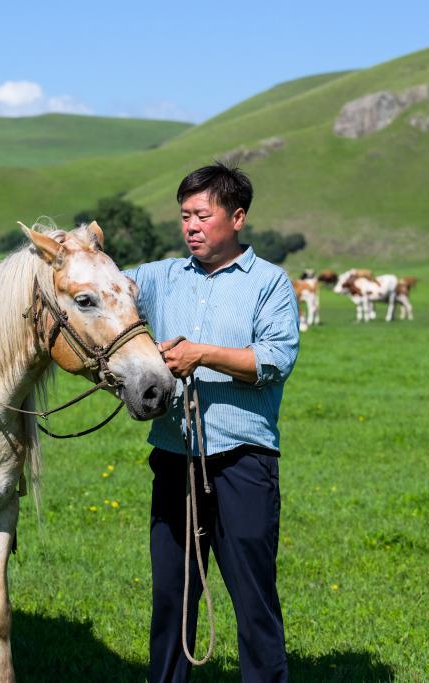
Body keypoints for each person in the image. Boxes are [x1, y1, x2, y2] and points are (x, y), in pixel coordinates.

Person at [123, 162, 299, 683]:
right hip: (175, 461)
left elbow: (273, 360)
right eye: (185, 216)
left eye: (203, 215)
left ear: (237, 217)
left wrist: (201, 355)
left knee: (253, 597)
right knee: (172, 597)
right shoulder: (160, 277)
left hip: (243, 462)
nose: (192, 227)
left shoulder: (270, 283)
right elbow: (104, 292)